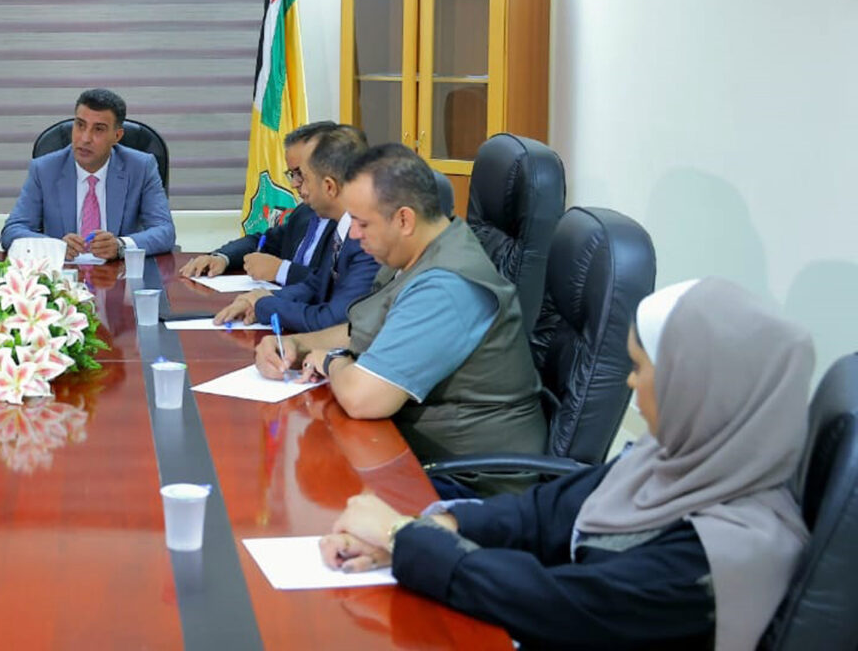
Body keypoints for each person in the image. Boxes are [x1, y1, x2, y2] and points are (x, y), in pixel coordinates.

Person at [321, 278, 812, 651]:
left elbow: (558, 604)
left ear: (697, 388)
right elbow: (543, 513)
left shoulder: (726, 553)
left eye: (640, 368)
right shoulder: (676, 463)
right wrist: (433, 528)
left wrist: (401, 538)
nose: (630, 383)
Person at [256, 144, 545, 495]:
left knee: (323, 496)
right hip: (415, 455)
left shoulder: (446, 286)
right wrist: (297, 344)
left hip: (469, 483)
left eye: (362, 223)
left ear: (404, 220)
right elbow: (365, 330)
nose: (354, 234)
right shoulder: (417, 254)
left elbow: (363, 398)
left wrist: (330, 361)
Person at [212, 125, 378, 332]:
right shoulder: (340, 227)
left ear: (329, 186)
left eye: (304, 177)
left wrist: (265, 305)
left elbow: (333, 321)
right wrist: (259, 299)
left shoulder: (365, 239)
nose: (297, 186)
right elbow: (316, 285)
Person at [0, 88, 175, 259]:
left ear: (117, 136)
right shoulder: (44, 169)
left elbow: (165, 231)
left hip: (120, 273)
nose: (85, 138)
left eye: (98, 129)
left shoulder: (141, 167)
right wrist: (55, 246)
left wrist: (120, 245)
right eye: (80, 125)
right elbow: (12, 231)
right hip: (64, 274)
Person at [179, 121, 339, 286]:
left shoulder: (348, 224)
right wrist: (221, 258)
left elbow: (336, 284)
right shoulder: (304, 213)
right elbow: (262, 241)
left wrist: (281, 271)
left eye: (300, 173)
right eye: (292, 174)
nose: (294, 184)